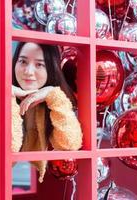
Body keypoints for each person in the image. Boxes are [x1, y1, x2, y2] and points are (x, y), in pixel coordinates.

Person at [11, 42, 83, 183]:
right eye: (23, 61)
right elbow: (9, 147)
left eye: (39, 65)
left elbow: (69, 144)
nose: (28, 71)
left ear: (51, 68)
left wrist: (53, 94)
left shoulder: (55, 100)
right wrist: (8, 94)